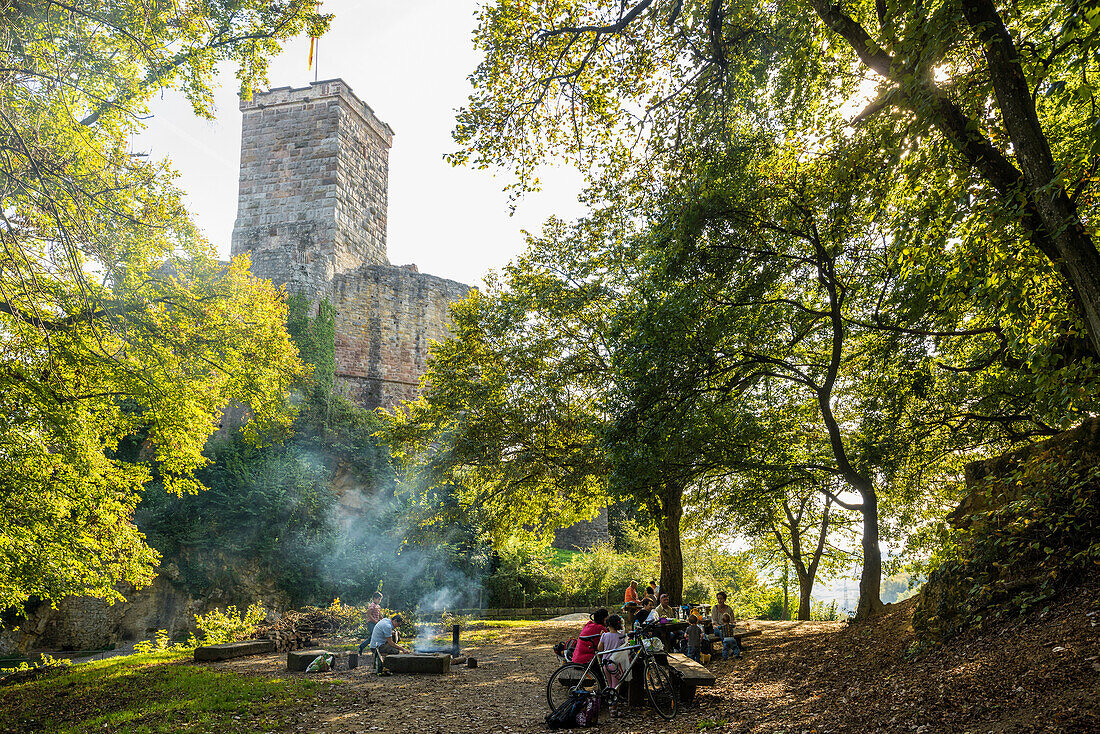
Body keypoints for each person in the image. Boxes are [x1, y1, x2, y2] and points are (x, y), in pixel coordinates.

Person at [597, 615, 628, 718]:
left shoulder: (604, 636)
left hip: (605, 664)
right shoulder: (621, 636)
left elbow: (599, 648)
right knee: (616, 688)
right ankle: (613, 710)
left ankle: (613, 708)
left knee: (610, 686)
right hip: (615, 665)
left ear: (608, 624)